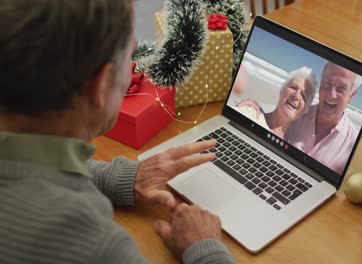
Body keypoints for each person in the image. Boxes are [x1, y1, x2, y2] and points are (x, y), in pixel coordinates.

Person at [0, 1, 233, 263]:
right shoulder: (96, 246)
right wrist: (204, 248)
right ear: (101, 85)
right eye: (131, 57)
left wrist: (122, 177)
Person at [238, 62, 362, 174]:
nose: (331, 95)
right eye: (327, 84)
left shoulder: (353, 145)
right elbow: (273, 120)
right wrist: (254, 108)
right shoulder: (297, 116)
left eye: (341, 88)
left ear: (352, 94)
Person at [235, 67, 316, 139]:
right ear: (282, 90)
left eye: (303, 95)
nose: (296, 96)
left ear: (306, 109)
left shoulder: (292, 148)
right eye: (293, 87)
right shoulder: (250, 113)